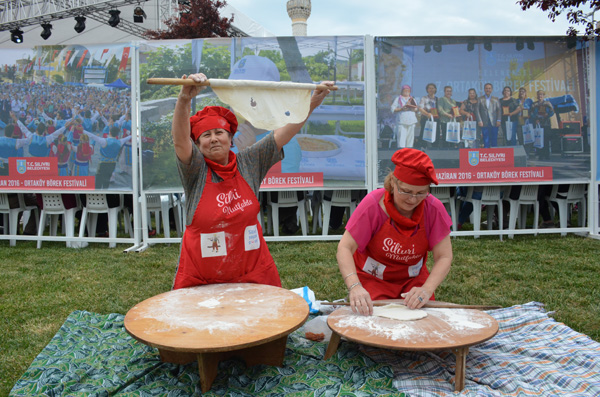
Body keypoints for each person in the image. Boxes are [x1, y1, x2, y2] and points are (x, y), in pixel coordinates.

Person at [171, 72, 332, 289]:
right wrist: (184, 99)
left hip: (251, 271)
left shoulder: (250, 162)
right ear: (199, 146)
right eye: (206, 136)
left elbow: (284, 133)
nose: (214, 139)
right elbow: (180, 141)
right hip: (203, 276)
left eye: (219, 132)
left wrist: (313, 101)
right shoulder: (196, 170)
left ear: (230, 138)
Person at [336, 148, 452, 315]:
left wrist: (426, 289)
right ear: (393, 182)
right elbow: (345, 248)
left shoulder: (433, 209)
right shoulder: (373, 205)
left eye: (421, 193)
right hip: (374, 280)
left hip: (414, 282)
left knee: (423, 326)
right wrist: (355, 286)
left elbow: (444, 256)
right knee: (376, 327)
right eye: (406, 191)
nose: (413, 199)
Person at [530, 90, 554, 160]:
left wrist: (547, 114)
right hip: (538, 123)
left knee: (546, 139)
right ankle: (540, 154)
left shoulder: (547, 103)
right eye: (539, 95)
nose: (540, 96)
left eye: (541, 95)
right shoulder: (534, 104)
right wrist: (535, 119)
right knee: (538, 139)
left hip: (546, 123)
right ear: (537, 96)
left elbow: (552, 112)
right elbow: (531, 113)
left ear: (543, 95)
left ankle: (546, 154)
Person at [475, 83, 501, 148]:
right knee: (486, 140)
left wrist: (498, 120)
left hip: (494, 122)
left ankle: (494, 155)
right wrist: (479, 121)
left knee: (494, 139)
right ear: (484, 89)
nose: (488, 90)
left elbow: (499, 110)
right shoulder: (480, 99)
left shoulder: (496, 99)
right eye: (486, 88)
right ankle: (487, 155)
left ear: (491, 90)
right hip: (484, 122)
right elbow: (477, 110)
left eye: (489, 88)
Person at [417, 83, 439, 149]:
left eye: (433, 88)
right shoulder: (424, 98)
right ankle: (422, 150)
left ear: (435, 89)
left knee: (435, 135)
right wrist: (427, 114)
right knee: (424, 135)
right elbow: (420, 108)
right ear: (427, 90)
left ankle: (435, 150)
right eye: (429, 88)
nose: (431, 89)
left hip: (435, 119)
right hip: (425, 118)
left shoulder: (438, 99)